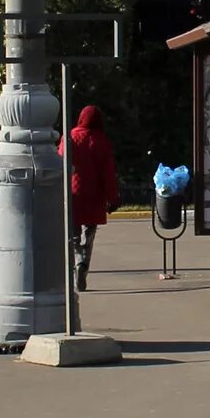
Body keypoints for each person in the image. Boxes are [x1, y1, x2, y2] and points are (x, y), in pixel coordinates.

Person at [64, 102, 117, 289]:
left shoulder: (69, 137)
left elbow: (59, 163)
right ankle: (83, 264)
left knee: (73, 235)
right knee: (89, 234)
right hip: (94, 196)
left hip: (72, 194)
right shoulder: (101, 141)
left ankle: (77, 261)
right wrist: (113, 198)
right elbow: (108, 173)